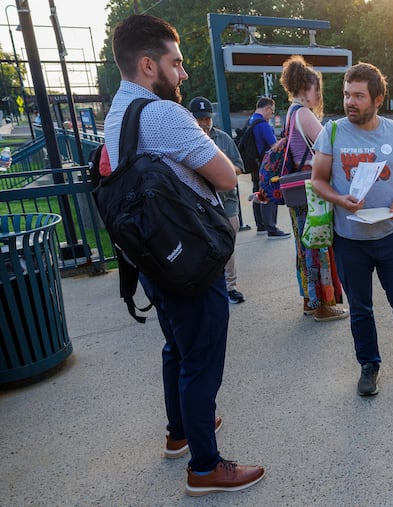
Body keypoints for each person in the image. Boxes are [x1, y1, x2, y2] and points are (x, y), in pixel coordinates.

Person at [104, 14, 264, 495]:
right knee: (202, 360)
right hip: (189, 259)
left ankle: (179, 433)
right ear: (149, 65)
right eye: (176, 63)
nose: (184, 74)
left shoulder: (118, 112)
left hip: (152, 256)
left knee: (177, 347)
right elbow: (223, 174)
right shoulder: (163, 114)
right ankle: (205, 467)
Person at [310, 62, 393, 396]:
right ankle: (369, 366)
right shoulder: (333, 131)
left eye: (358, 96)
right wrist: (340, 199)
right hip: (350, 241)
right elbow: (317, 180)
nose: (350, 102)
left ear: (378, 99)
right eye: (346, 94)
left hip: (392, 237)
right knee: (361, 310)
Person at [279, 55, 348, 322]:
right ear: (309, 88)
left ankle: (310, 300)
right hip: (312, 191)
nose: (319, 95)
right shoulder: (304, 114)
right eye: (317, 89)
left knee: (304, 245)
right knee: (318, 245)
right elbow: (328, 146)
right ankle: (323, 305)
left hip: (298, 191)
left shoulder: (290, 112)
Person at [188, 96, 247, 304]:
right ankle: (211, 286)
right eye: (199, 119)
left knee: (228, 247)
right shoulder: (188, 139)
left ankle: (230, 287)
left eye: (207, 118)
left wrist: (225, 171)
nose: (204, 123)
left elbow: (240, 165)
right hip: (200, 206)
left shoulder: (223, 139)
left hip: (227, 204)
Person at [244, 97, 291, 239]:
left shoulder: (250, 121)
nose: (271, 115)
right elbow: (274, 147)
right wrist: (285, 141)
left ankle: (261, 225)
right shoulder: (263, 125)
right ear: (268, 108)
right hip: (266, 166)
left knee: (257, 191)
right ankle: (272, 228)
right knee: (269, 194)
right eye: (272, 112)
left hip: (253, 164)